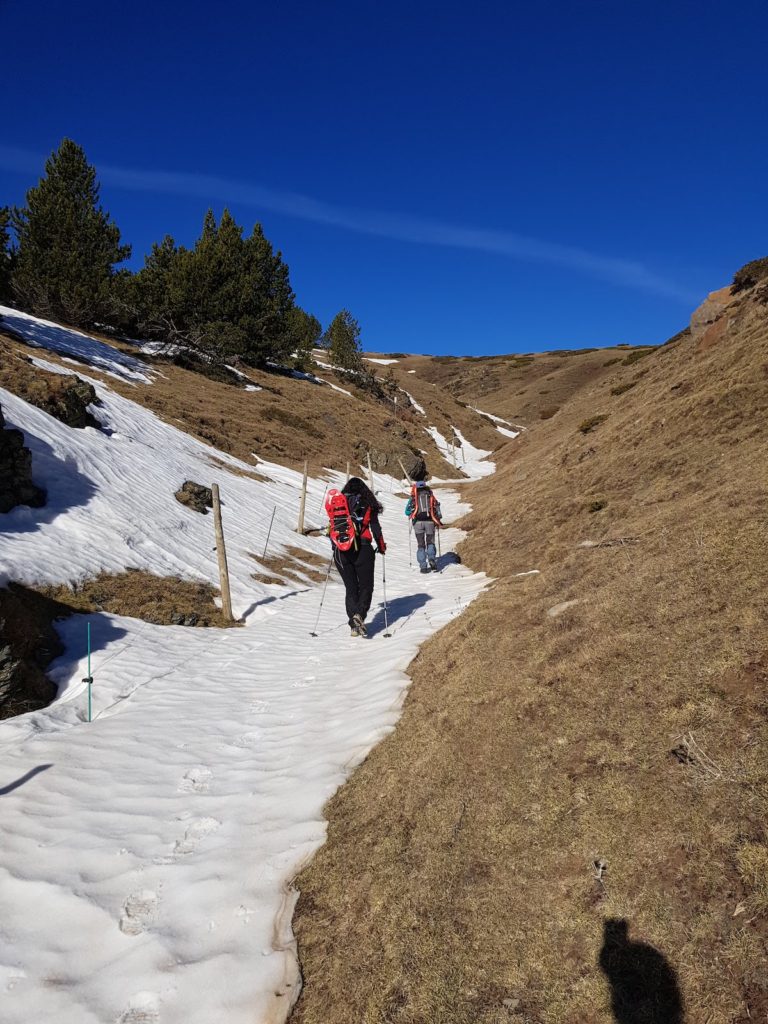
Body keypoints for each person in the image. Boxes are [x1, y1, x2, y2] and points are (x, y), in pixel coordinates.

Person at [327, 477, 386, 636]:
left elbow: (332, 529)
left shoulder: (337, 505)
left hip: (341, 552)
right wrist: (381, 546)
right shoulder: (368, 504)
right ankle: (359, 615)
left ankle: (354, 625)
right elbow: (376, 528)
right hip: (363, 548)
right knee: (366, 586)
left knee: (351, 588)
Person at [404, 481, 442, 573]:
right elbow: (438, 510)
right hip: (430, 522)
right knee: (430, 542)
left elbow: (407, 512)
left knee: (421, 545)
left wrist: (413, 514)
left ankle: (423, 567)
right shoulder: (430, 495)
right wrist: (437, 519)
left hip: (417, 523)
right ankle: (432, 559)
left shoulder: (413, 497)